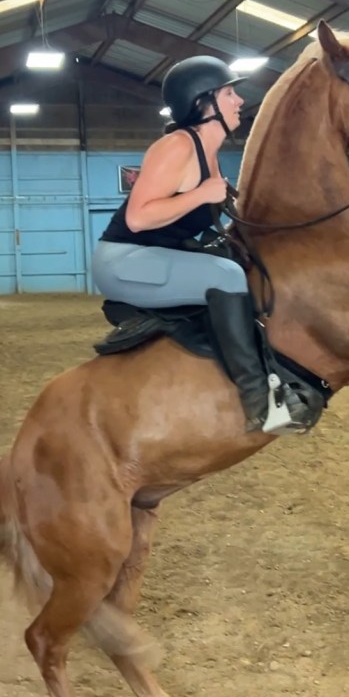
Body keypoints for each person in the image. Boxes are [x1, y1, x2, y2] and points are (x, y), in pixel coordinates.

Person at [92, 54, 308, 434]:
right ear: (203, 103)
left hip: (153, 258)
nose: (240, 101)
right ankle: (260, 401)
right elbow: (138, 217)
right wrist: (202, 194)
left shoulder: (211, 155)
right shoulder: (176, 146)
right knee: (223, 275)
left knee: (241, 268)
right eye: (229, 93)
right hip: (123, 262)